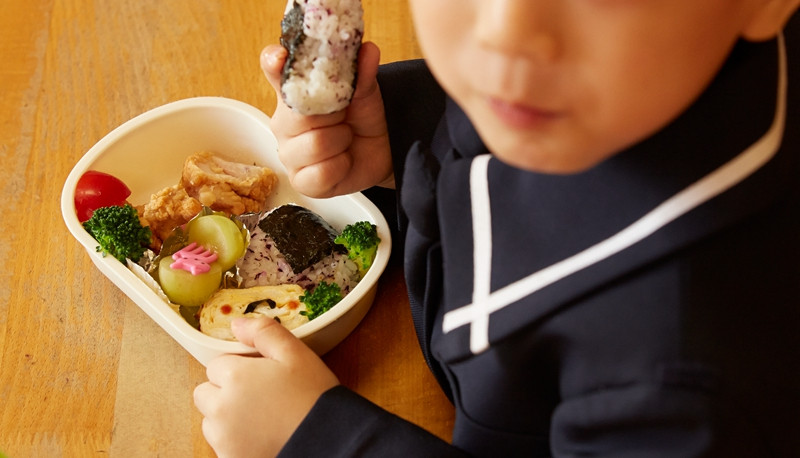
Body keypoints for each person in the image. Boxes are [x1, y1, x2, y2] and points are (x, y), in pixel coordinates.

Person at [193, 0, 800, 456]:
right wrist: (399, 149)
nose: (504, 30)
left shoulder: (680, 392)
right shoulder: (585, 91)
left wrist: (328, 441)